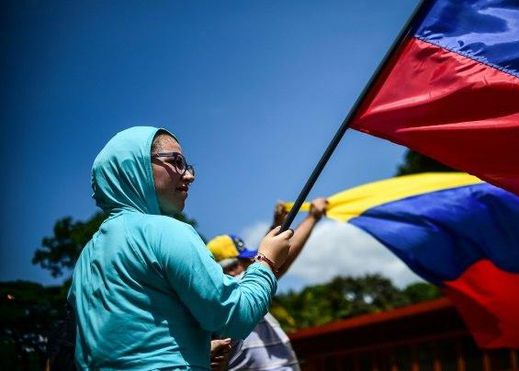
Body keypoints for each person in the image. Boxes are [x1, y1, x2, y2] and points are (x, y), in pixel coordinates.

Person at [68, 126, 293, 370]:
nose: (189, 175)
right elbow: (234, 316)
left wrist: (195, 351)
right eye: (176, 162)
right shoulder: (166, 231)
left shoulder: (86, 257)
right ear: (136, 167)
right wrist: (266, 262)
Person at [207, 198, 328, 371]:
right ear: (231, 267)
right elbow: (274, 261)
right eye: (245, 261)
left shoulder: (219, 298)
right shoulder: (234, 288)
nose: (252, 264)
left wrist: (277, 225)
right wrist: (312, 217)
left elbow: (266, 258)